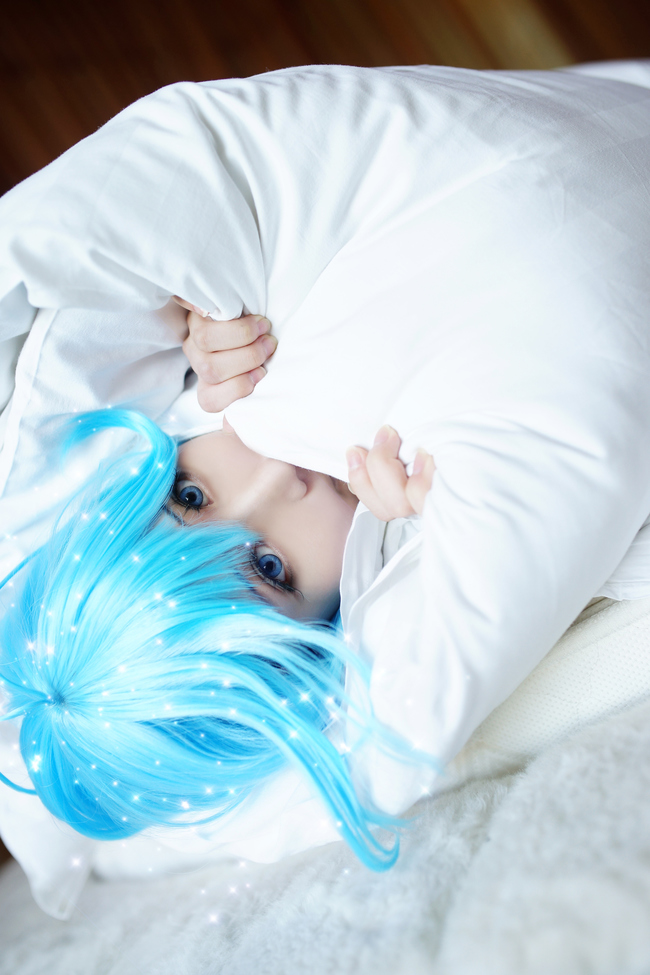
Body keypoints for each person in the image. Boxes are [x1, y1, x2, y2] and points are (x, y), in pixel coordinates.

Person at [2, 60, 650, 918]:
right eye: (270, 567)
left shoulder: (221, 358)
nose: (276, 474)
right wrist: (406, 543)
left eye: (188, 497)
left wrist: (198, 340)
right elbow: (404, 721)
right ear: (320, 635)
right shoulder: (416, 526)